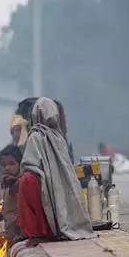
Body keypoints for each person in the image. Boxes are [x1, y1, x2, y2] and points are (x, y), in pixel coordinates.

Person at [18, 97, 95, 243]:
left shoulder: (35, 136)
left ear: (36, 114)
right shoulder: (59, 138)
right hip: (56, 186)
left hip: (41, 185)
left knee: (27, 180)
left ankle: (38, 231)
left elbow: (29, 165)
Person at [0, 144, 23, 244]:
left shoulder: (22, 184)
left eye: (12, 164)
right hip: (9, 230)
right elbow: (9, 210)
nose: (7, 168)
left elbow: (22, 213)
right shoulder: (7, 184)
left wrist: (15, 230)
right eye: (4, 165)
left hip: (19, 232)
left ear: (20, 164)